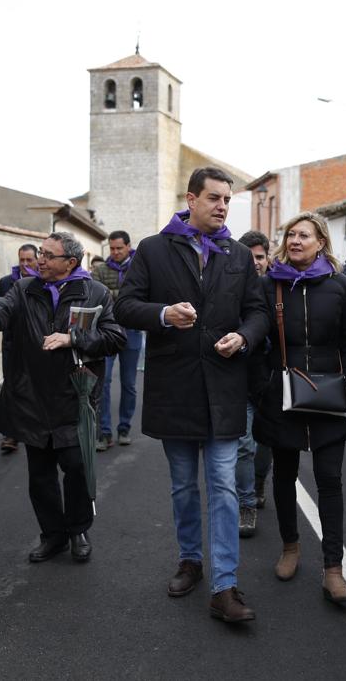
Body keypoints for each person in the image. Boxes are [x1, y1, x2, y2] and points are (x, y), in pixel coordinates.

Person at [114, 166, 269, 624]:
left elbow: (257, 312)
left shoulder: (238, 255)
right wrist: (163, 313)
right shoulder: (153, 249)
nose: (223, 206)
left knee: (221, 486)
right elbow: (124, 305)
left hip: (223, 388)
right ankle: (190, 561)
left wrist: (242, 337)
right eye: (215, 198)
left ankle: (225, 585)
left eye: (227, 199)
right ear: (191, 199)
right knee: (183, 486)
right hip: (174, 389)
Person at [0, 232, 125, 565]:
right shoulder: (23, 288)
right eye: (40, 253)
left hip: (74, 398)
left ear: (71, 263)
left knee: (77, 469)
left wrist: (72, 338)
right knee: (40, 477)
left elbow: (114, 337)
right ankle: (53, 535)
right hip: (32, 398)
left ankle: (79, 529)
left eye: (49, 255)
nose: (40, 260)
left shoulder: (96, 293)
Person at [251, 214, 346, 603]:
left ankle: (333, 568)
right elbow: (256, 333)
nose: (295, 240)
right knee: (284, 475)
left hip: (331, 396)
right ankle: (291, 547)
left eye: (304, 235)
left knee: (330, 480)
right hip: (282, 396)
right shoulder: (269, 285)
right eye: (291, 235)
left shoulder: (339, 286)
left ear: (320, 242)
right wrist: (262, 384)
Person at [91, 230, 144, 451]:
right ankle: (104, 432)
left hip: (132, 331)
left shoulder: (138, 268)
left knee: (129, 384)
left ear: (128, 247)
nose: (114, 252)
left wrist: (113, 295)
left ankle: (124, 428)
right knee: (103, 383)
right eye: (111, 248)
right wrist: (122, 295)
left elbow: (140, 296)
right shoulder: (100, 269)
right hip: (107, 332)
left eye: (119, 248)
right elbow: (95, 295)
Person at [234, 229, 273, 534]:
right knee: (245, 445)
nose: (255, 263)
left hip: (273, 383)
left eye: (259, 257)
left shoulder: (279, 288)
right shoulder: (230, 288)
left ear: (268, 258)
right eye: (249, 257)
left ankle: (259, 481)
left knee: (266, 445)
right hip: (241, 381)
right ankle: (246, 503)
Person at [0, 243, 40, 454]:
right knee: (11, 386)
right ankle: (10, 434)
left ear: (37, 260)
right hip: (12, 344)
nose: (25, 264)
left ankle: (33, 428)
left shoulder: (43, 281)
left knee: (35, 387)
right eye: (22, 260)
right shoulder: (6, 283)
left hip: (37, 345)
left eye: (29, 260)